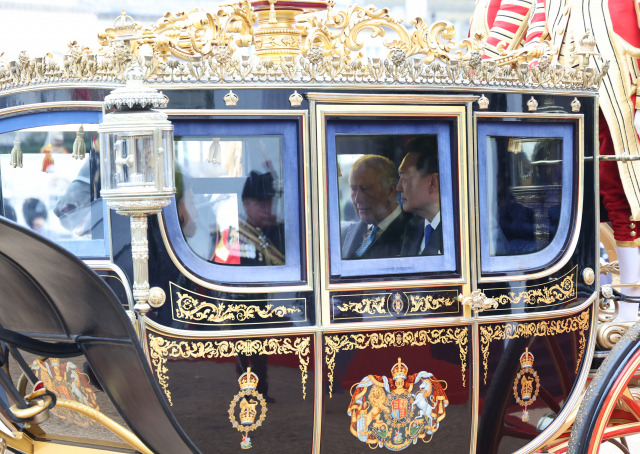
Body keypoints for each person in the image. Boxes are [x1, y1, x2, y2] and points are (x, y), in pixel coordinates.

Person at [341, 155, 409, 259]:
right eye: (354, 189)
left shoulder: (415, 232)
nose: (357, 199)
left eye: (366, 189)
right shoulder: (344, 233)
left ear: (391, 191)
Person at [212, 171, 285, 266]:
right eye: (260, 202)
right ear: (245, 204)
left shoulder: (281, 232)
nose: (267, 208)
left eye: (269, 201)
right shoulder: (233, 236)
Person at [396, 141, 443, 256]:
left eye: (405, 179)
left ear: (432, 183)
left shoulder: (460, 231)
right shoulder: (413, 227)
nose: (398, 188)